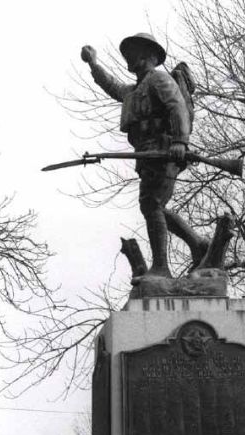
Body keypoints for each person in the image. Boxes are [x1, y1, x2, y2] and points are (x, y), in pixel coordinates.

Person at [81, 33, 195, 278]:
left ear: (148, 55)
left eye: (133, 53)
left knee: (151, 204)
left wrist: (180, 142)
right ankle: (197, 244)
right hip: (146, 154)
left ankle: (162, 268)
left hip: (163, 151)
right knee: (154, 205)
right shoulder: (136, 89)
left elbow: (177, 108)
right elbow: (112, 85)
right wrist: (93, 64)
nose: (129, 58)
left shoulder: (159, 79)